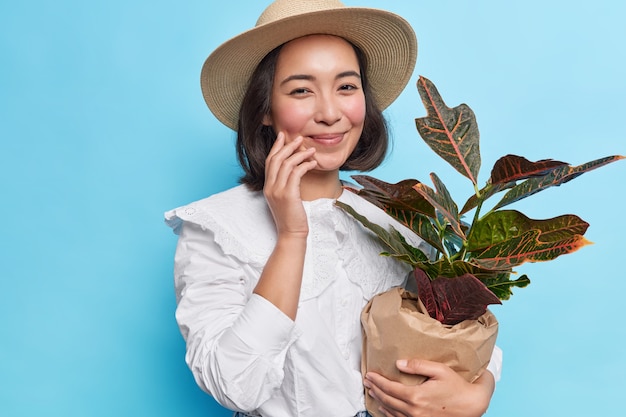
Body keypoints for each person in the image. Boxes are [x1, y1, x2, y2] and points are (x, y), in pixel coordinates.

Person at [165, 1, 502, 416]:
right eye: (301, 90)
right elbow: (236, 386)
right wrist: (291, 236)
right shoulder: (216, 227)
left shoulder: (400, 215)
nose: (330, 113)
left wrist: (479, 388)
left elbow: (460, 332)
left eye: (346, 87)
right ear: (265, 108)